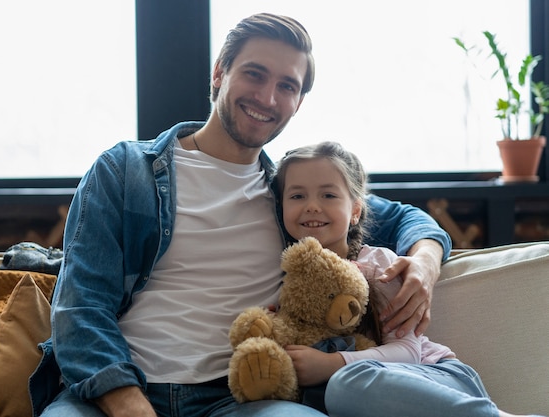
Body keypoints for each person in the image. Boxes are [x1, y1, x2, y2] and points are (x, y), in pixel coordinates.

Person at [29, 13, 452, 417]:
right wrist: (131, 407)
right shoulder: (125, 170)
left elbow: (402, 218)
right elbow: (80, 309)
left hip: (244, 397)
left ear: (298, 103)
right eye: (254, 73)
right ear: (219, 74)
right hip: (117, 391)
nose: (267, 97)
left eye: (287, 85)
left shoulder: (291, 191)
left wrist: (426, 262)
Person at [272, 140, 545, 417]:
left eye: (328, 195)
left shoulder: (378, 265)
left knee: (344, 385)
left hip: (436, 376)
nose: (312, 206)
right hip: (372, 401)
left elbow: (409, 351)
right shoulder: (284, 277)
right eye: (297, 196)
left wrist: (331, 364)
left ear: (355, 211)